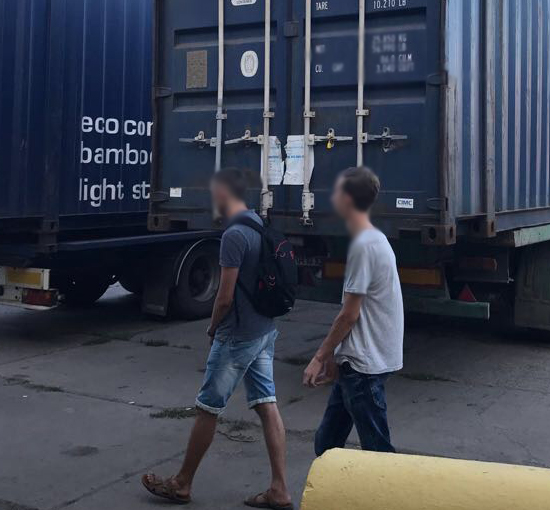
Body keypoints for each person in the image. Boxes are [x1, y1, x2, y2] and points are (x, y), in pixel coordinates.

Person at [142, 168, 293, 510]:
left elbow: (224, 297)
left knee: (208, 407)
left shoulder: (234, 235)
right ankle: (280, 489)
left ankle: (181, 484)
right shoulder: (257, 223)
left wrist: (212, 329)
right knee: (267, 404)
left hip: (237, 336)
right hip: (264, 331)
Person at [303, 166, 404, 456]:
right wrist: (337, 356)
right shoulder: (374, 239)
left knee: (378, 453)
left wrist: (319, 357)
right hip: (356, 362)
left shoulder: (364, 246)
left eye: (336, 191)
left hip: (363, 368)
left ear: (347, 199)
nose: (332, 197)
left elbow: (349, 315)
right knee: (326, 445)